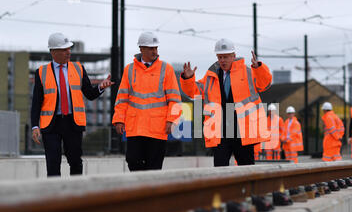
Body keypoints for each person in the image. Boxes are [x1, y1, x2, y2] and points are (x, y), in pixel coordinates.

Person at [31, 32, 114, 176]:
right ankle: (55, 197)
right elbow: (36, 102)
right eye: (64, 49)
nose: (68, 52)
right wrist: (34, 126)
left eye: (69, 48)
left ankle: (76, 195)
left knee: (75, 162)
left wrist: (101, 87)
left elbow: (89, 94)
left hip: (73, 123)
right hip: (51, 125)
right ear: (53, 51)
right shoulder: (41, 72)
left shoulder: (79, 68)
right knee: (52, 164)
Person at [180, 38, 272, 167]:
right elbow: (194, 92)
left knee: (246, 169)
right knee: (220, 169)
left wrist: (259, 69)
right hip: (220, 131)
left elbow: (264, 84)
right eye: (220, 57)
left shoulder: (248, 72)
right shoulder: (211, 76)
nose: (222, 60)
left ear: (233, 56)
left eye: (226, 57)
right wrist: (188, 79)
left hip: (243, 131)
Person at [112, 31, 182, 171]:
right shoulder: (130, 70)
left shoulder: (166, 69)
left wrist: (171, 120)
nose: (154, 51)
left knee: (154, 168)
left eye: (156, 48)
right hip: (135, 128)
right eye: (151, 48)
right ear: (141, 49)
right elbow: (122, 98)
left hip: (157, 128)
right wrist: (119, 120)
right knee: (132, 161)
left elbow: (174, 99)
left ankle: (150, 192)